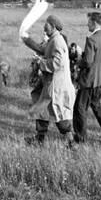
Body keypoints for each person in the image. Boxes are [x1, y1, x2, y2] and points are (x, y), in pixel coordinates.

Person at [22, 14, 75, 145]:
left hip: (56, 86)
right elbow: (42, 49)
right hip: (50, 84)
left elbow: (57, 63)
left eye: (47, 25)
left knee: (59, 114)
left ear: (54, 26)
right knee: (42, 110)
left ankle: (70, 142)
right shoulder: (53, 39)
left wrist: (41, 63)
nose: (45, 28)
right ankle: (39, 139)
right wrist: (26, 39)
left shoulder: (57, 41)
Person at [73, 11, 101, 143]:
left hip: (89, 80)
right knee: (96, 105)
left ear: (95, 23)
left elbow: (88, 62)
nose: (87, 24)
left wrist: (78, 59)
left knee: (79, 108)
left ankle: (80, 138)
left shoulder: (91, 39)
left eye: (89, 22)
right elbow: (96, 58)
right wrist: (84, 54)